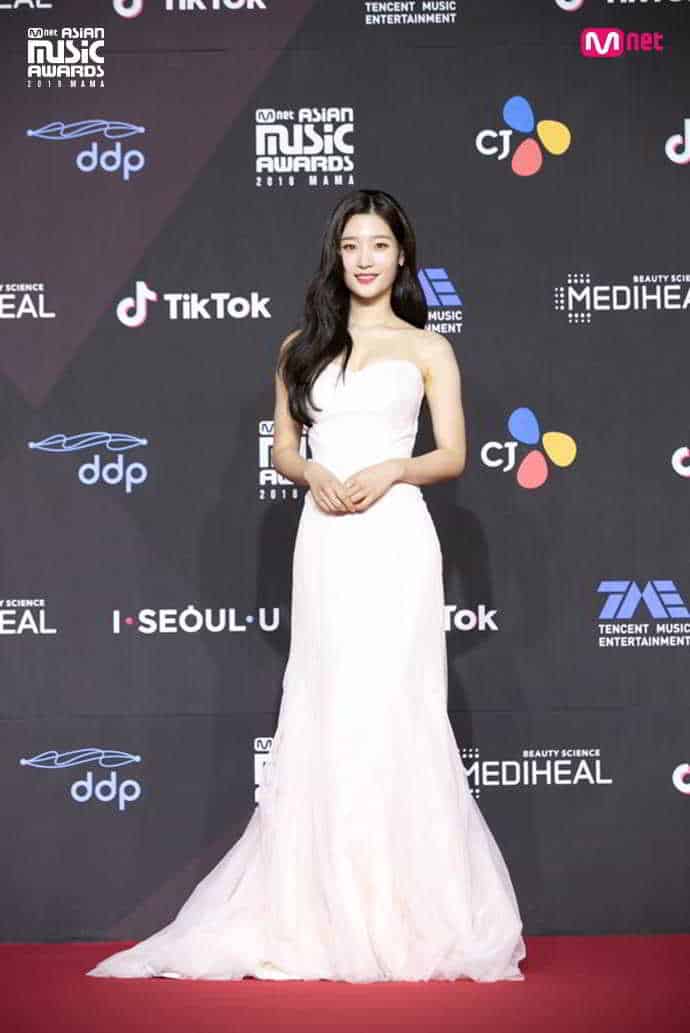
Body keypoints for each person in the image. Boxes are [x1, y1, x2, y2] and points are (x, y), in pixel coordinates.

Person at [86, 188, 526, 983]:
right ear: (337, 255)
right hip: (325, 538)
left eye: (379, 245)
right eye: (351, 246)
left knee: (397, 706)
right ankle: (319, 910)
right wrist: (311, 472)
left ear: (401, 255)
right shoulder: (301, 346)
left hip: (395, 536)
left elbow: (453, 453)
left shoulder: (429, 348)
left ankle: (411, 912)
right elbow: (285, 449)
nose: (365, 259)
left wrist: (393, 469)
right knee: (327, 705)